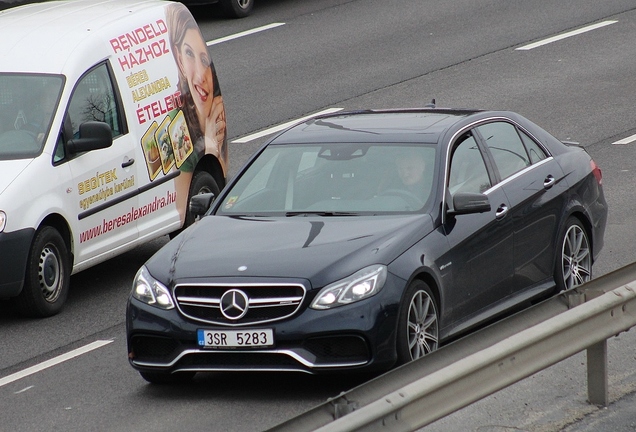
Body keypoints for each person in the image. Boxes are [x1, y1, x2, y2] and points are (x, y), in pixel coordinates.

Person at [166, 3, 228, 224]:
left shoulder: (215, 112)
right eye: (190, 54)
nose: (201, 75)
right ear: (179, 59)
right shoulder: (176, 125)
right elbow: (180, 201)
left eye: (204, 60)